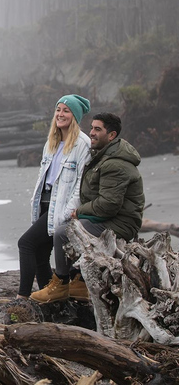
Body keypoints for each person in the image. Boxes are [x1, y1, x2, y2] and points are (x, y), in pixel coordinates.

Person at [31, 112, 145, 303]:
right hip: (111, 217)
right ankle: (79, 283)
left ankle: (61, 284)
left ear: (111, 135)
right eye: (91, 128)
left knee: (63, 232)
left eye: (97, 129)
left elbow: (108, 205)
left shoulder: (115, 164)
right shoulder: (102, 156)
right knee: (70, 227)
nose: (91, 132)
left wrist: (80, 212)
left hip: (121, 222)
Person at [16, 95, 91, 299]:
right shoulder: (52, 142)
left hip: (61, 207)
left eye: (66, 111)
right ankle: (49, 297)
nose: (60, 114)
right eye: (58, 109)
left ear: (74, 116)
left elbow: (81, 184)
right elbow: (44, 178)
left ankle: (22, 297)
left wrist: (67, 212)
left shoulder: (83, 144)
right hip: (45, 202)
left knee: (26, 243)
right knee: (40, 253)